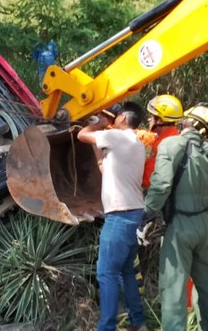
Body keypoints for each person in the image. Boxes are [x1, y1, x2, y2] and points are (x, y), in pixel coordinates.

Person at [143, 96, 208, 316]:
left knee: (179, 263)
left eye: (151, 115)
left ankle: (184, 309)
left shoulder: (168, 143)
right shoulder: (200, 146)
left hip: (184, 211)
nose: (148, 119)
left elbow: (154, 181)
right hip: (204, 209)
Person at [77, 102, 147, 331]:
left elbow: (81, 135)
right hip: (132, 214)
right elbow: (103, 168)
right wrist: (101, 131)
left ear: (124, 118)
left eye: (116, 116)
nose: (114, 118)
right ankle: (138, 322)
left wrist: (97, 122)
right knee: (126, 270)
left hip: (120, 216)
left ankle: (106, 327)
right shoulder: (134, 143)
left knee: (106, 273)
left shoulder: (118, 136)